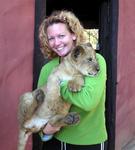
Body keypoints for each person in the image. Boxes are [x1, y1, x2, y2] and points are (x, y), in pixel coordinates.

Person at [37, 10, 108, 150]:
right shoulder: (47, 69)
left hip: (88, 142)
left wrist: (58, 82)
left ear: (74, 35)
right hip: (55, 141)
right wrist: (44, 131)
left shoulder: (94, 61)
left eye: (61, 36)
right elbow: (40, 105)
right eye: (51, 38)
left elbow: (88, 101)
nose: (56, 42)